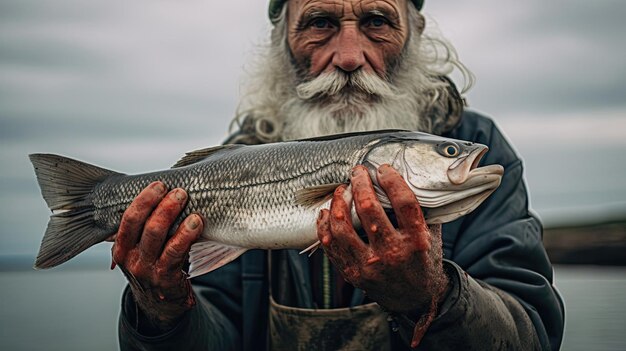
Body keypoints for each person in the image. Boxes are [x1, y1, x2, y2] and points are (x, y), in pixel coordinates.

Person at [113, 0, 565, 350]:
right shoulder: (237, 161)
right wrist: (161, 311)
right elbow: (220, 334)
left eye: (376, 21)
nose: (349, 56)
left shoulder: (476, 145)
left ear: (415, 33)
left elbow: (534, 334)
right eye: (320, 23)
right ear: (281, 41)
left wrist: (433, 297)